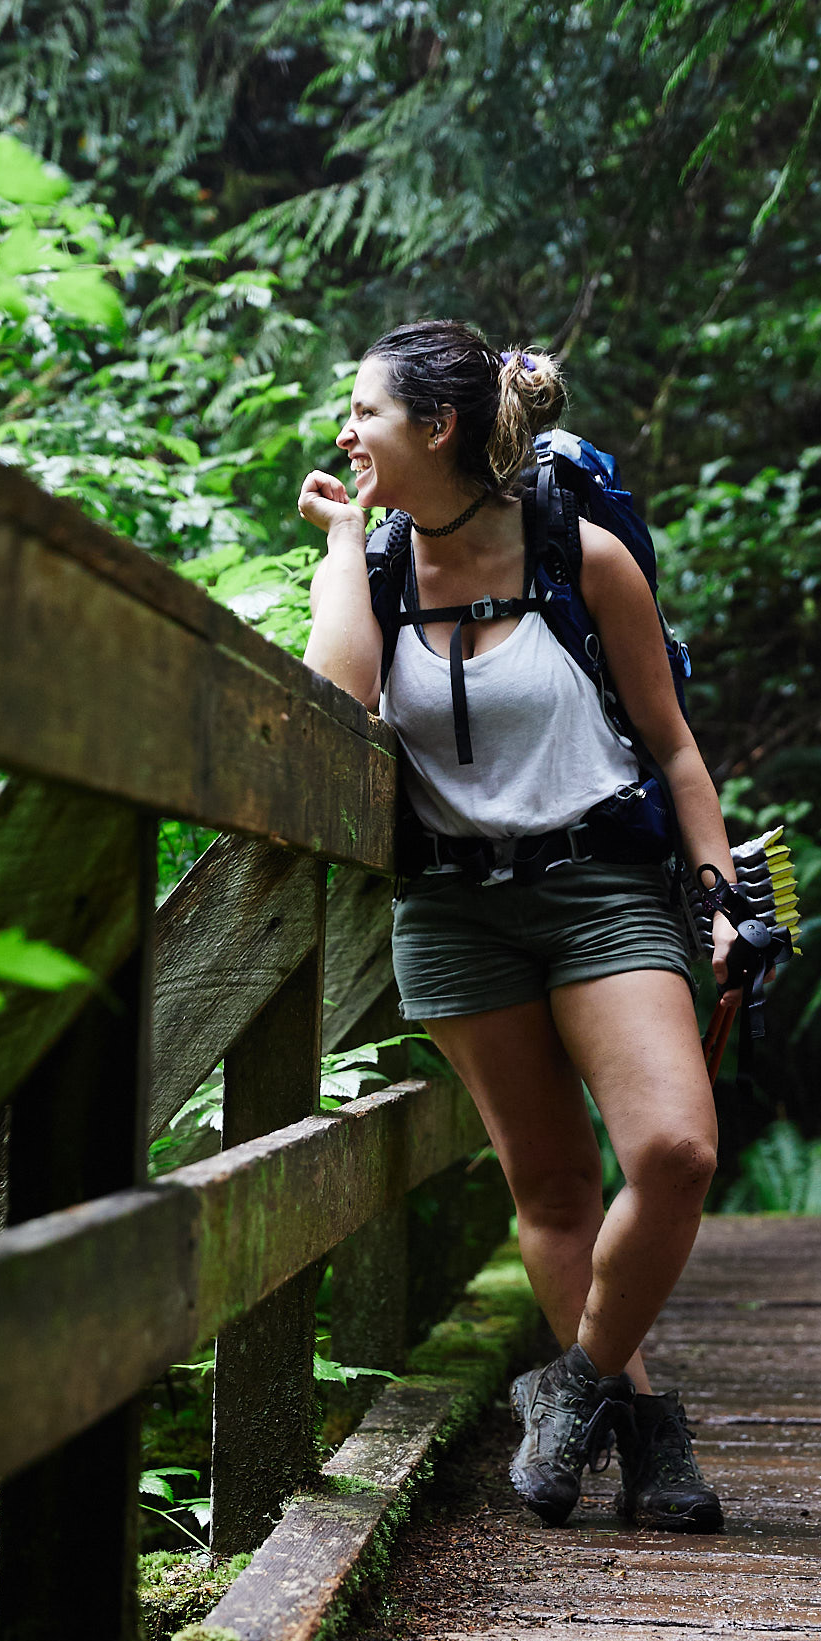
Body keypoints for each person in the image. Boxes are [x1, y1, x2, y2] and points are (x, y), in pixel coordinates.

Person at [298, 317, 741, 1533]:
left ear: (435, 427)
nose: (346, 433)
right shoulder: (378, 572)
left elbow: (671, 744)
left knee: (672, 1154)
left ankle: (576, 1385)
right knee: (550, 1190)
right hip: (453, 913)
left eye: (366, 414)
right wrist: (345, 544)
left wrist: (717, 895)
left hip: (599, 889)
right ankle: (647, 1438)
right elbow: (335, 712)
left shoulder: (581, 555)